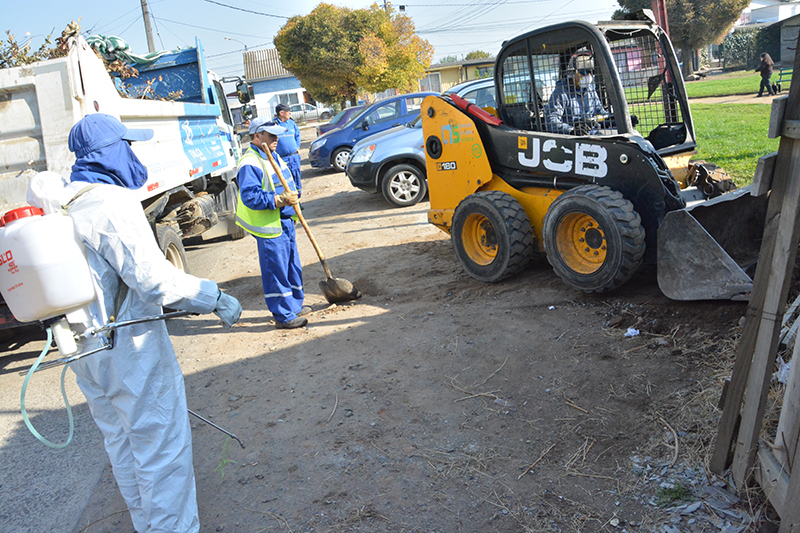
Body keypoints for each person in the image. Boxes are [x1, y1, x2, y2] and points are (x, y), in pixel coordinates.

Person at [26, 113, 242, 533]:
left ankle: (149, 527)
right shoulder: (109, 202)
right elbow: (154, 280)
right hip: (129, 349)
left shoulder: (63, 202)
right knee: (162, 453)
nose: (132, 153)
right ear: (110, 152)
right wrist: (213, 297)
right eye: (127, 145)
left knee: (124, 446)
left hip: (84, 349)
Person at [236, 116, 310, 329]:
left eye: (277, 135)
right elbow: (250, 197)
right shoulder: (250, 162)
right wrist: (277, 200)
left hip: (285, 221)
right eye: (271, 135)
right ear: (257, 136)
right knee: (275, 270)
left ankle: (294, 306)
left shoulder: (273, 156)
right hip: (269, 226)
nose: (276, 139)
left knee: (291, 266)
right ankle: (283, 315)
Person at [544, 51, 608, 135]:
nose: (588, 76)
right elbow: (551, 121)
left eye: (590, 72)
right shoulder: (561, 93)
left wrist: (616, 119)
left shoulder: (590, 90)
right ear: (573, 73)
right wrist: (572, 130)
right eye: (583, 72)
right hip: (573, 138)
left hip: (592, 133)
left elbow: (601, 112)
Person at [273, 103, 303, 194]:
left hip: (294, 157)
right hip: (282, 158)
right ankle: (290, 199)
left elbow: (297, 136)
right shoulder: (273, 125)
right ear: (281, 113)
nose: (289, 113)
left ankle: (298, 199)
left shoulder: (291, 123)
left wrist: (297, 147)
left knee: (297, 177)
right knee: (285, 179)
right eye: (288, 111)